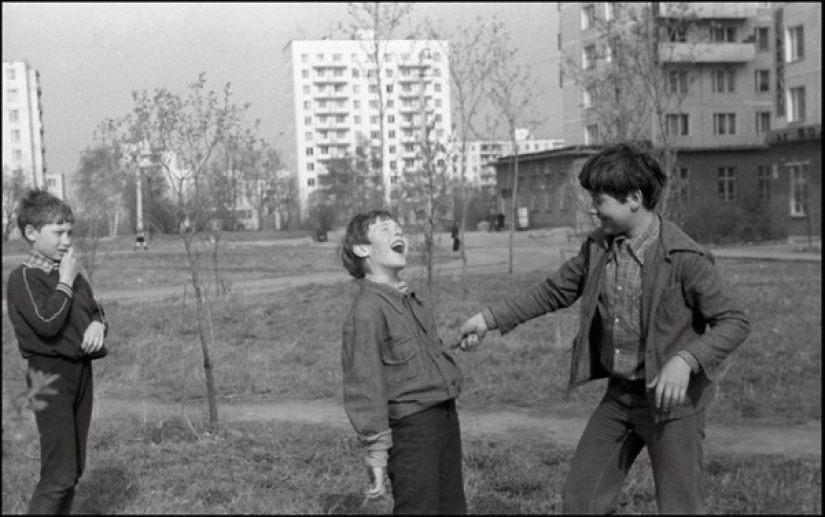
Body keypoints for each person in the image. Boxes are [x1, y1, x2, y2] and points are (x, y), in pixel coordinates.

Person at [457, 143, 750, 514]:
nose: (592, 209)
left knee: (680, 506)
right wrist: (487, 319)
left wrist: (686, 360)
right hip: (620, 398)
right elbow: (553, 291)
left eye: (599, 200)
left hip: (673, 404)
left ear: (633, 198)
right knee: (582, 501)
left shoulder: (685, 258)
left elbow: (734, 322)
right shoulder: (598, 247)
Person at [339, 209, 466, 514]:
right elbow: (364, 383)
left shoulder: (409, 299)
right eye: (384, 230)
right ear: (362, 249)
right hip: (412, 428)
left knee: (451, 506)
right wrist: (376, 452)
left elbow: (414, 360)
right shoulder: (367, 310)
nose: (397, 233)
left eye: (398, 229)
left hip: (444, 417)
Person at [6, 189, 109, 515]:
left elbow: (93, 309)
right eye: (58, 232)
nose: (66, 240)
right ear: (32, 233)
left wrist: (98, 324)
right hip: (46, 375)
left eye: (69, 232)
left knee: (74, 469)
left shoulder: (70, 272)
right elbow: (47, 323)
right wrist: (65, 280)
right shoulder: (24, 277)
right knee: (58, 473)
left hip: (80, 373)